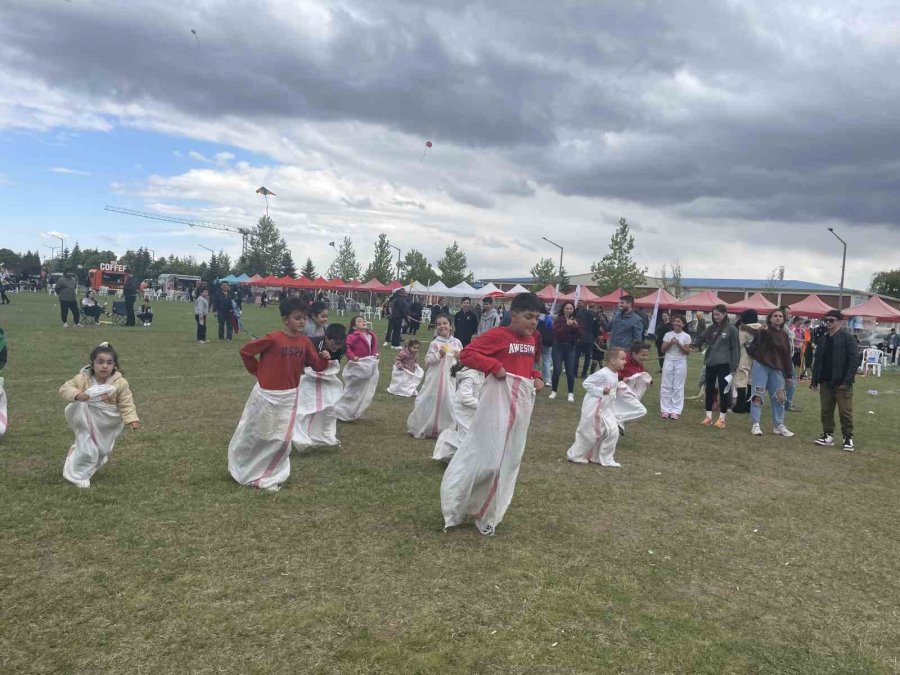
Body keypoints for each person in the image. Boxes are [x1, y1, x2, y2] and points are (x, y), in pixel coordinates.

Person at [440, 292, 545, 536]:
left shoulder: (532, 340)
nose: (533, 323)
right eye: (529, 317)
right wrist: (494, 366)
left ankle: (487, 512)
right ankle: (456, 502)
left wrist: (536, 376)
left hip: (520, 406)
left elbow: (531, 364)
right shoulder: (499, 335)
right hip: (496, 403)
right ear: (514, 315)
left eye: (537, 318)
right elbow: (467, 354)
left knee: (509, 459)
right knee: (487, 457)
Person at [229, 297, 331, 491]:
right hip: (267, 395)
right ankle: (246, 466)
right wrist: (257, 371)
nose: (301, 322)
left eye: (304, 318)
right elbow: (246, 351)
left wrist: (325, 358)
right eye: (297, 318)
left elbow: (315, 365)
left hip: (289, 397)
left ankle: (271, 474)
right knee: (257, 432)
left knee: (281, 437)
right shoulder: (273, 338)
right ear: (286, 320)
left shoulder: (304, 342)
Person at [59, 342, 140, 488]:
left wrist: (132, 419)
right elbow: (65, 388)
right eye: (100, 362)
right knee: (88, 450)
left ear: (114, 365)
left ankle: (77, 452)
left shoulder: (120, 383)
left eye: (109, 363)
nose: (104, 366)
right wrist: (78, 395)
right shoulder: (82, 379)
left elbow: (126, 403)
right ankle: (78, 476)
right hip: (86, 420)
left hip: (106, 424)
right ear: (92, 364)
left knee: (102, 450)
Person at [566, 346, 636, 467]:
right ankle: (575, 455)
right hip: (594, 408)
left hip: (606, 408)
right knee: (589, 433)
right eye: (622, 359)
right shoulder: (603, 373)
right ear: (613, 361)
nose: (625, 361)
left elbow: (612, 389)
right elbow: (586, 383)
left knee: (612, 432)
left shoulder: (614, 374)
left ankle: (601, 457)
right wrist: (601, 390)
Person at [811, 310, 861, 451]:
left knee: (845, 411)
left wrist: (847, 381)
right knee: (826, 410)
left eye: (831, 320)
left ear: (840, 321)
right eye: (826, 320)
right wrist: (814, 380)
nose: (828, 323)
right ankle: (828, 435)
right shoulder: (823, 339)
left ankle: (848, 437)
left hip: (841, 382)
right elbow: (818, 360)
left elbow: (854, 361)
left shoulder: (848, 338)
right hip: (825, 380)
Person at [407, 314, 463, 439]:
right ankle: (425, 425)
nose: (442, 326)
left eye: (445, 323)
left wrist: (459, 357)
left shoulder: (457, 342)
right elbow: (427, 361)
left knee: (449, 401)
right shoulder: (435, 343)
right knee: (429, 400)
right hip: (435, 379)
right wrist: (439, 354)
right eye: (439, 324)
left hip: (450, 379)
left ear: (450, 326)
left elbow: (462, 361)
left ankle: (446, 427)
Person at [747, 308, 795, 438]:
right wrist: (759, 356)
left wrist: (789, 374)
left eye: (780, 316)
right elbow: (752, 348)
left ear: (783, 319)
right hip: (761, 366)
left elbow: (787, 355)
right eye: (775, 316)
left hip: (777, 368)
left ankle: (778, 425)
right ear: (770, 318)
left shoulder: (785, 335)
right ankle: (755, 424)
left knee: (780, 396)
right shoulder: (763, 331)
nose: (778, 318)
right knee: (758, 394)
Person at [699, 304, 740, 428]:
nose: (715, 316)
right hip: (710, 363)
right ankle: (708, 417)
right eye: (714, 314)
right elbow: (701, 339)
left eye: (718, 314)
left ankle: (722, 419)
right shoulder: (711, 328)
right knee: (709, 389)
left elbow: (736, 349)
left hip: (724, 364)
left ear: (725, 314)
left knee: (724, 390)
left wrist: (734, 365)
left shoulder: (731, 329)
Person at [660, 315, 692, 419]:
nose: (676, 323)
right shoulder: (668, 335)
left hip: (680, 361)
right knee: (666, 384)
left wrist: (678, 344)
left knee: (678, 386)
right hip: (669, 360)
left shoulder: (686, 336)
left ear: (683, 324)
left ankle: (676, 410)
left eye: (679, 322)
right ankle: (665, 409)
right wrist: (670, 343)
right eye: (675, 321)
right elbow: (663, 349)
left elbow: (687, 352)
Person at [549, 301, 582, 402]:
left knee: (570, 372)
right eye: (567, 308)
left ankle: (570, 393)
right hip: (558, 347)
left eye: (570, 308)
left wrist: (576, 327)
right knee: (557, 370)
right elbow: (557, 333)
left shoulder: (576, 320)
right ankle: (554, 391)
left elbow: (580, 335)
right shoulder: (558, 320)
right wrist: (566, 325)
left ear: (573, 310)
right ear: (563, 309)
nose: (568, 310)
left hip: (570, 349)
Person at [732, 309, 759, 415]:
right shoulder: (761, 328)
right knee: (751, 383)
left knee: (741, 381)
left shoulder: (743, 329)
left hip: (745, 357)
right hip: (757, 358)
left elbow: (737, 343)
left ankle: (740, 406)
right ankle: (749, 406)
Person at [574, 303, 599, 378]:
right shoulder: (595, 315)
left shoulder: (580, 313)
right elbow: (596, 329)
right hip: (589, 338)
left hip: (579, 337)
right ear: (595, 308)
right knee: (587, 358)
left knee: (576, 356)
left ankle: (574, 373)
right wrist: (594, 337)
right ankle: (584, 373)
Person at [536, 306, 554, 383]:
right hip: (548, 342)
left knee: (536, 360)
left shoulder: (537, 318)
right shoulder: (549, 318)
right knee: (546, 361)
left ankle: (535, 376)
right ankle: (547, 379)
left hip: (538, 341)